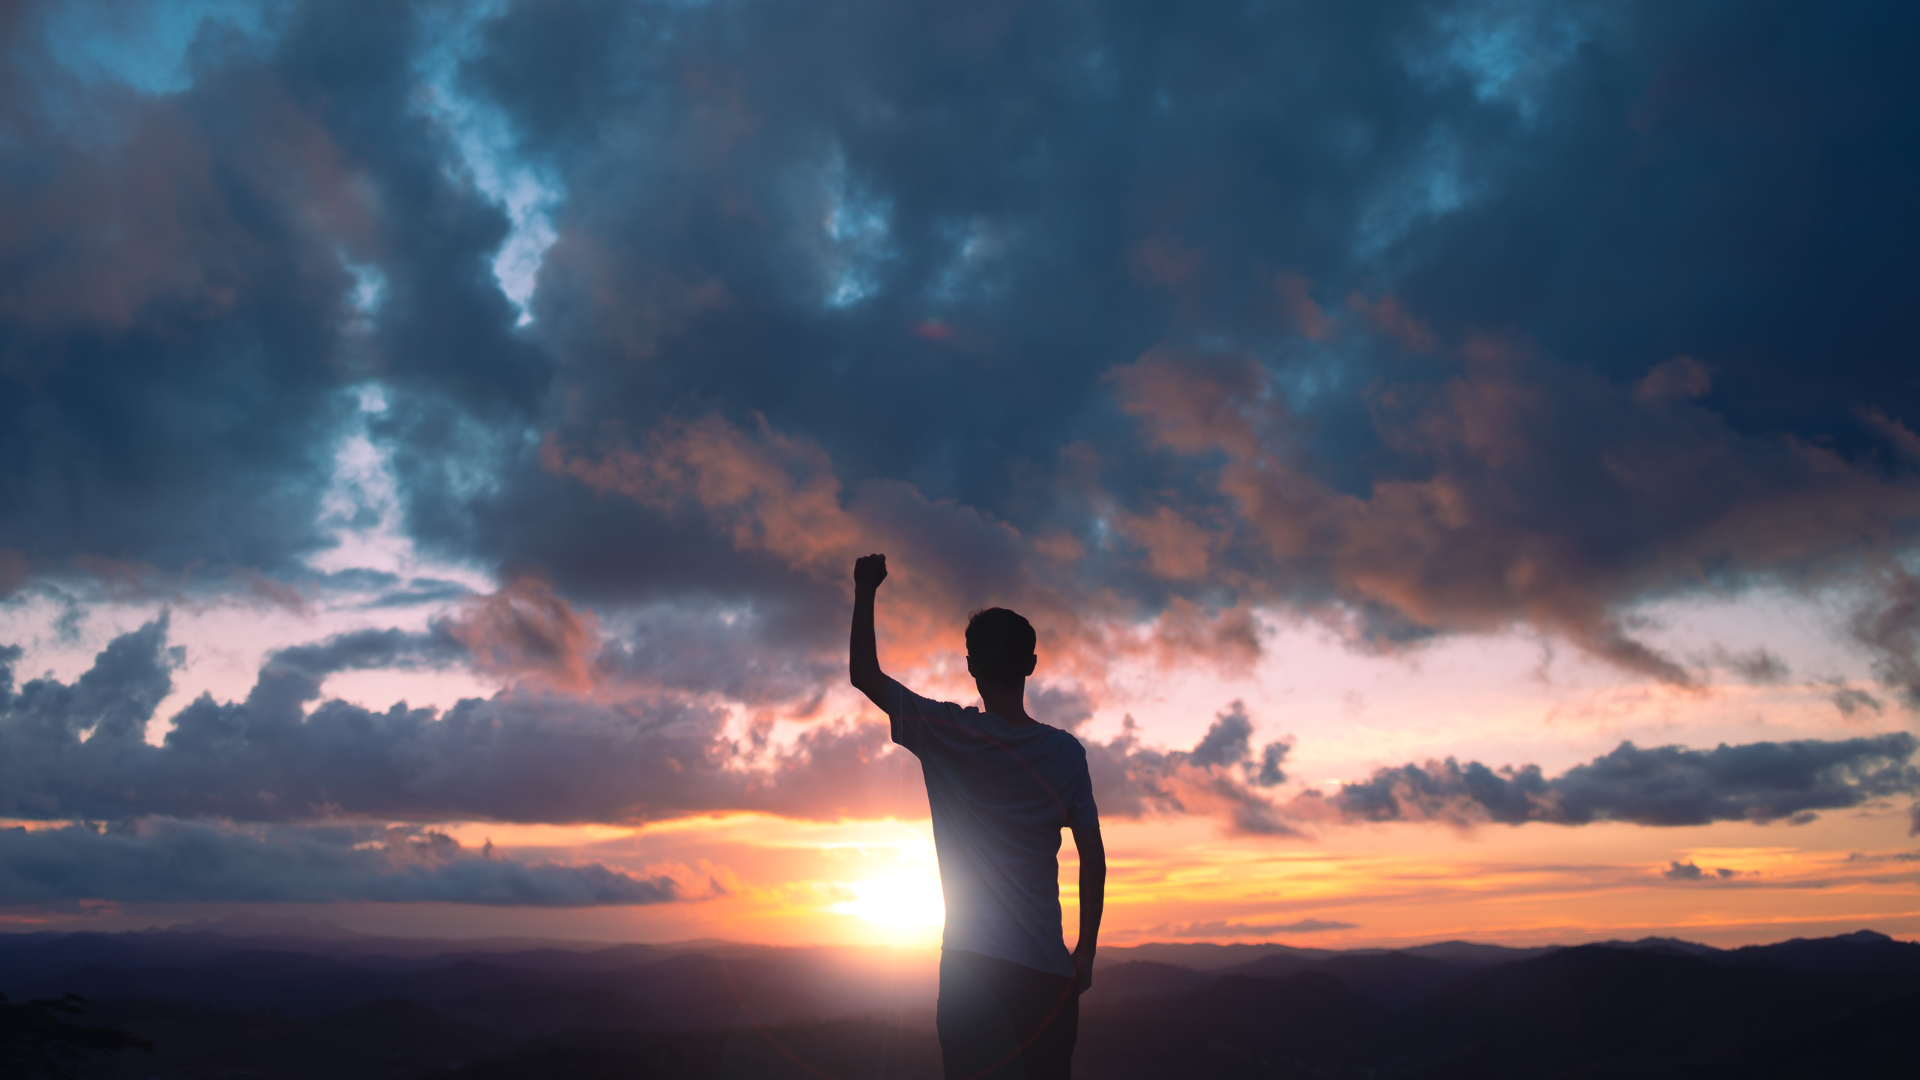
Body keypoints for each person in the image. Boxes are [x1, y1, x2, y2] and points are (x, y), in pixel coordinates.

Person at [848, 553, 1105, 1080]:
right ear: (1031, 665)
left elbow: (864, 675)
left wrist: (866, 587)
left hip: (974, 972)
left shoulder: (950, 734)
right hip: (1047, 973)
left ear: (971, 666)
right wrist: (1086, 952)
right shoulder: (1066, 754)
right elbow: (1092, 857)